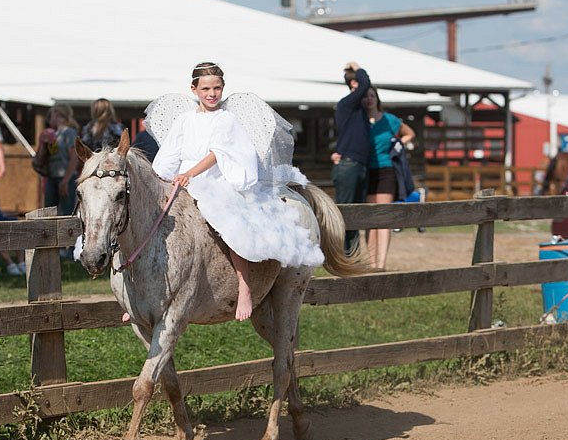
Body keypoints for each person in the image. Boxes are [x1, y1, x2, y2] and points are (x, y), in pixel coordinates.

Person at [151, 62, 323, 321]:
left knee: (226, 223)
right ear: (194, 89)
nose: (212, 94)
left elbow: (218, 153)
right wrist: (163, 177)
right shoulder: (184, 120)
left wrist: (191, 174)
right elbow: (170, 153)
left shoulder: (226, 119)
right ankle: (146, 290)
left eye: (217, 88)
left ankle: (244, 286)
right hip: (185, 180)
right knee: (153, 218)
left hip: (217, 181)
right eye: (206, 88)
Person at [363, 85, 416, 271]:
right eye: (366, 96)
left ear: (377, 98)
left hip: (387, 170)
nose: (369, 99)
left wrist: (399, 144)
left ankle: (381, 264)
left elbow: (410, 133)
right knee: (370, 218)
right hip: (368, 171)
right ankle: (370, 263)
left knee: (383, 216)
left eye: (372, 95)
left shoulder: (390, 120)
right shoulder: (360, 120)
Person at [331, 62, 371, 255]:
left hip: (357, 165)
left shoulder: (358, 110)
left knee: (355, 216)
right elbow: (365, 83)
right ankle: (342, 255)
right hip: (349, 165)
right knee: (346, 215)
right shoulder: (346, 103)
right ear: (354, 83)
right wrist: (358, 68)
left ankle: (352, 256)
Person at [31, 104, 80, 216]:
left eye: (50, 115)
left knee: (67, 213)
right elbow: (39, 160)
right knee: (49, 212)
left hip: (66, 177)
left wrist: (66, 180)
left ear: (57, 114)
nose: (48, 119)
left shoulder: (69, 132)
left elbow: (74, 158)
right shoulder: (53, 134)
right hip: (52, 177)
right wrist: (43, 144)